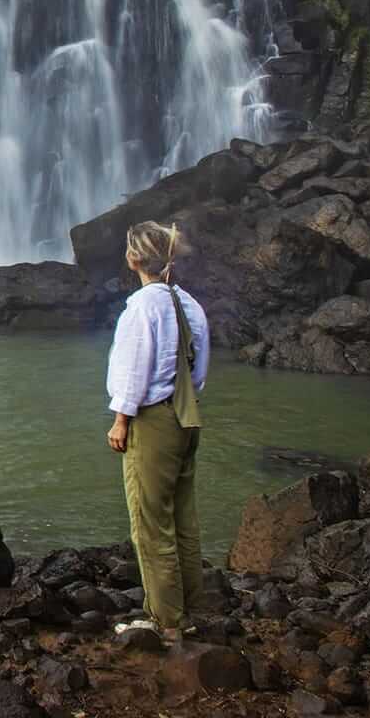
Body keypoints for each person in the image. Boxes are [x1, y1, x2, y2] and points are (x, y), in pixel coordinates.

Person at [104, 220, 210, 641]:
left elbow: (133, 370)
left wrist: (121, 419)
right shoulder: (190, 305)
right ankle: (191, 607)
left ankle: (167, 621)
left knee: (150, 523)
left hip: (152, 422)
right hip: (187, 417)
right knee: (183, 517)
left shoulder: (142, 307)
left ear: (133, 259)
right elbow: (198, 372)